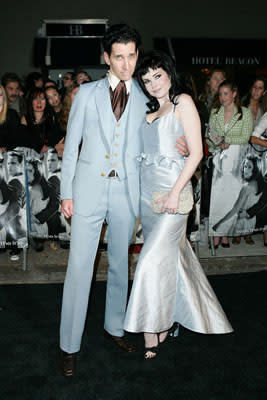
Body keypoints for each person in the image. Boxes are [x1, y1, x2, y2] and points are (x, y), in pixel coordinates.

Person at [123, 50, 233, 359]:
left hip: (175, 194)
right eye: (146, 80)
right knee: (170, 259)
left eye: (157, 76)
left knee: (148, 261)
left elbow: (196, 152)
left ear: (169, 73)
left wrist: (175, 192)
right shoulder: (146, 110)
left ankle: (151, 330)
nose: (153, 84)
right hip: (148, 197)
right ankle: (174, 317)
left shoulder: (182, 102)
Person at [59, 23, 149, 377]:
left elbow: (150, 145)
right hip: (87, 192)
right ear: (106, 58)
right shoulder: (86, 93)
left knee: (118, 266)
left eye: (131, 56)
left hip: (126, 194)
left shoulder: (146, 96)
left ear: (136, 55)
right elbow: (70, 149)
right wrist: (66, 192)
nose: (126, 64)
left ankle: (115, 327)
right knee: (79, 268)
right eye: (119, 57)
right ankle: (69, 344)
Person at [207, 80, 253, 247]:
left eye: (226, 93)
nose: (222, 97)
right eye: (220, 94)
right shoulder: (215, 112)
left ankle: (225, 233)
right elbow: (209, 136)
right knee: (217, 199)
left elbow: (246, 137)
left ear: (234, 94)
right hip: (219, 162)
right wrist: (216, 144)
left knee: (232, 198)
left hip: (236, 162)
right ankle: (216, 234)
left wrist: (227, 140)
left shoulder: (245, 113)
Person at [212, 154, 263, 236]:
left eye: (249, 167)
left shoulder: (247, 187)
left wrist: (218, 223)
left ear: (256, 169)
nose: (245, 170)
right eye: (245, 166)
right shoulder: (260, 184)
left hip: (242, 222)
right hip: (252, 221)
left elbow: (235, 209)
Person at [0, 85, 21, 152]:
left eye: (0, 95)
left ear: (4, 97)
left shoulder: (12, 114)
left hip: (7, 155)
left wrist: (4, 149)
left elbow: (17, 139)